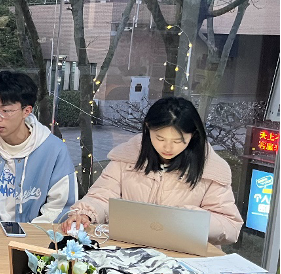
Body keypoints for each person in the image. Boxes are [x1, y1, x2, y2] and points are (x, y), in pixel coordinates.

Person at [61, 97, 243, 245]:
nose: (168, 147)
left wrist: (191, 218)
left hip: (184, 258)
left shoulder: (211, 169)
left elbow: (230, 226)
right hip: (128, 250)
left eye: (178, 141)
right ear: (148, 129)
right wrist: (86, 213)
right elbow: (102, 196)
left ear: (193, 135)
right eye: (160, 138)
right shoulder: (128, 156)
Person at [0, 71, 77, 224]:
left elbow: (60, 206)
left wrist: (30, 236)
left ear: (26, 111)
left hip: (37, 236)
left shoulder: (54, 149)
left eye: (5, 111)